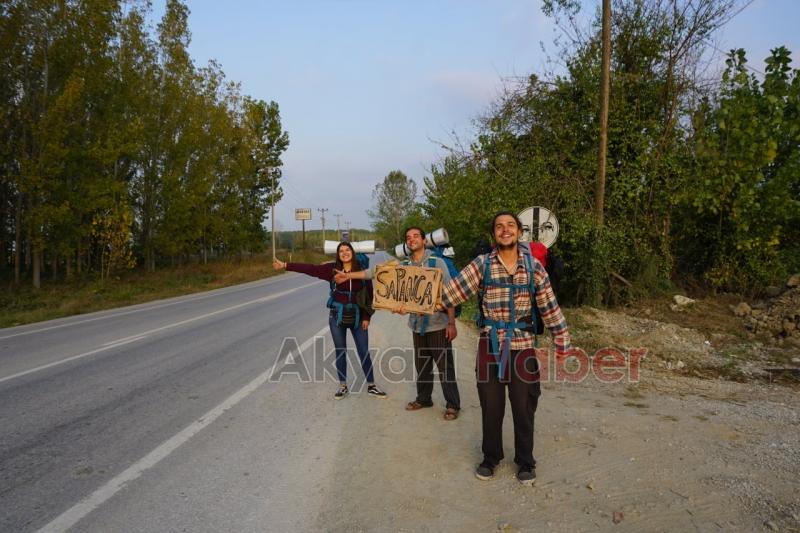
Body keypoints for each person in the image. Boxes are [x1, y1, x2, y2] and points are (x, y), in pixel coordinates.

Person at [438, 211, 571, 485]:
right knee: (491, 405)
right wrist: (412, 302)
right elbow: (448, 294)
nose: (505, 230)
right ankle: (490, 458)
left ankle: (525, 461)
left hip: (523, 347)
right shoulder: (481, 265)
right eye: (499, 226)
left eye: (510, 225)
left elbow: (549, 306)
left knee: (524, 406)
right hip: (490, 345)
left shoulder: (534, 267)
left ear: (519, 232)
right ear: (493, 234)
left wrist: (562, 341)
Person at [336, 227, 461, 420]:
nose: (411, 240)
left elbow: (450, 293)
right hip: (417, 325)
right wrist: (349, 275)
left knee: (445, 366)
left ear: (424, 240)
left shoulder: (438, 262)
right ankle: (424, 398)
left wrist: (451, 323)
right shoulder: (403, 264)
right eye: (408, 238)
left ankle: (453, 405)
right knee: (422, 365)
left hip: (439, 323)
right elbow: (375, 273)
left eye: (415, 236)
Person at [273, 242, 387, 400]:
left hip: (359, 317)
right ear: (338, 254)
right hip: (336, 317)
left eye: (347, 250)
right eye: (341, 251)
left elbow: (369, 295)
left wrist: (367, 317)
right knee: (340, 351)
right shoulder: (331, 269)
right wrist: (286, 265)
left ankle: (371, 385)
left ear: (352, 252)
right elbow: (310, 269)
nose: (344, 253)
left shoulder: (362, 270)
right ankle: (343, 386)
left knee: (363, 351)